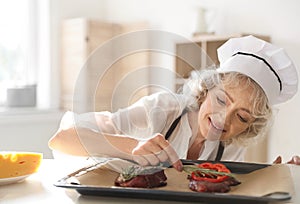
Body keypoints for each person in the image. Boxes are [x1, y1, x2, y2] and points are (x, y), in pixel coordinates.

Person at [48, 35, 300, 171]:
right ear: (206, 90)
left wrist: (274, 177)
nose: (225, 119)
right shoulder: (160, 110)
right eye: (221, 100)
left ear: (251, 127)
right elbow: (62, 139)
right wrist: (132, 146)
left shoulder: (231, 148)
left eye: (242, 117)